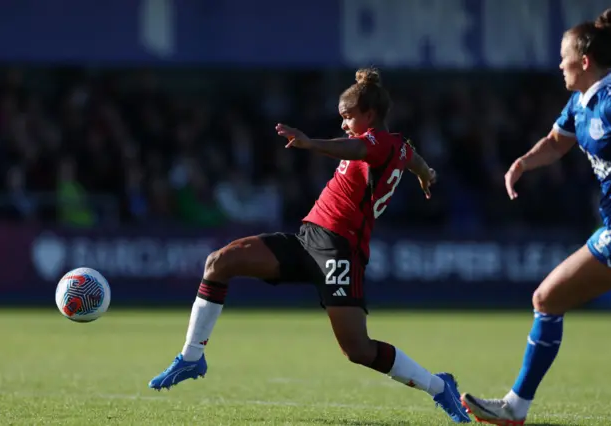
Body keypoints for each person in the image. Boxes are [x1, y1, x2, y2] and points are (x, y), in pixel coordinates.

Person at [149, 68, 471, 423]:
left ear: (370, 115)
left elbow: (357, 146)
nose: (344, 123)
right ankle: (192, 357)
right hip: (308, 239)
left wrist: (311, 143)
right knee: (219, 262)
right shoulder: (399, 147)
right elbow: (413, 159)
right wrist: (426, 175)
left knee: (358, 350)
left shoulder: (380, 143)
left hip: (340, 252)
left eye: (348, 117)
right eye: (341, 118)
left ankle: (439, 387)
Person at [461, 8, 611, 425]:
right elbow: (557, 143)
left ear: (584, 61)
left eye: (563, 57)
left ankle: (515, 407)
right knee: (548, 299)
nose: (558, 64)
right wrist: (522, 163)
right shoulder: (581, 103)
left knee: (547, 298)